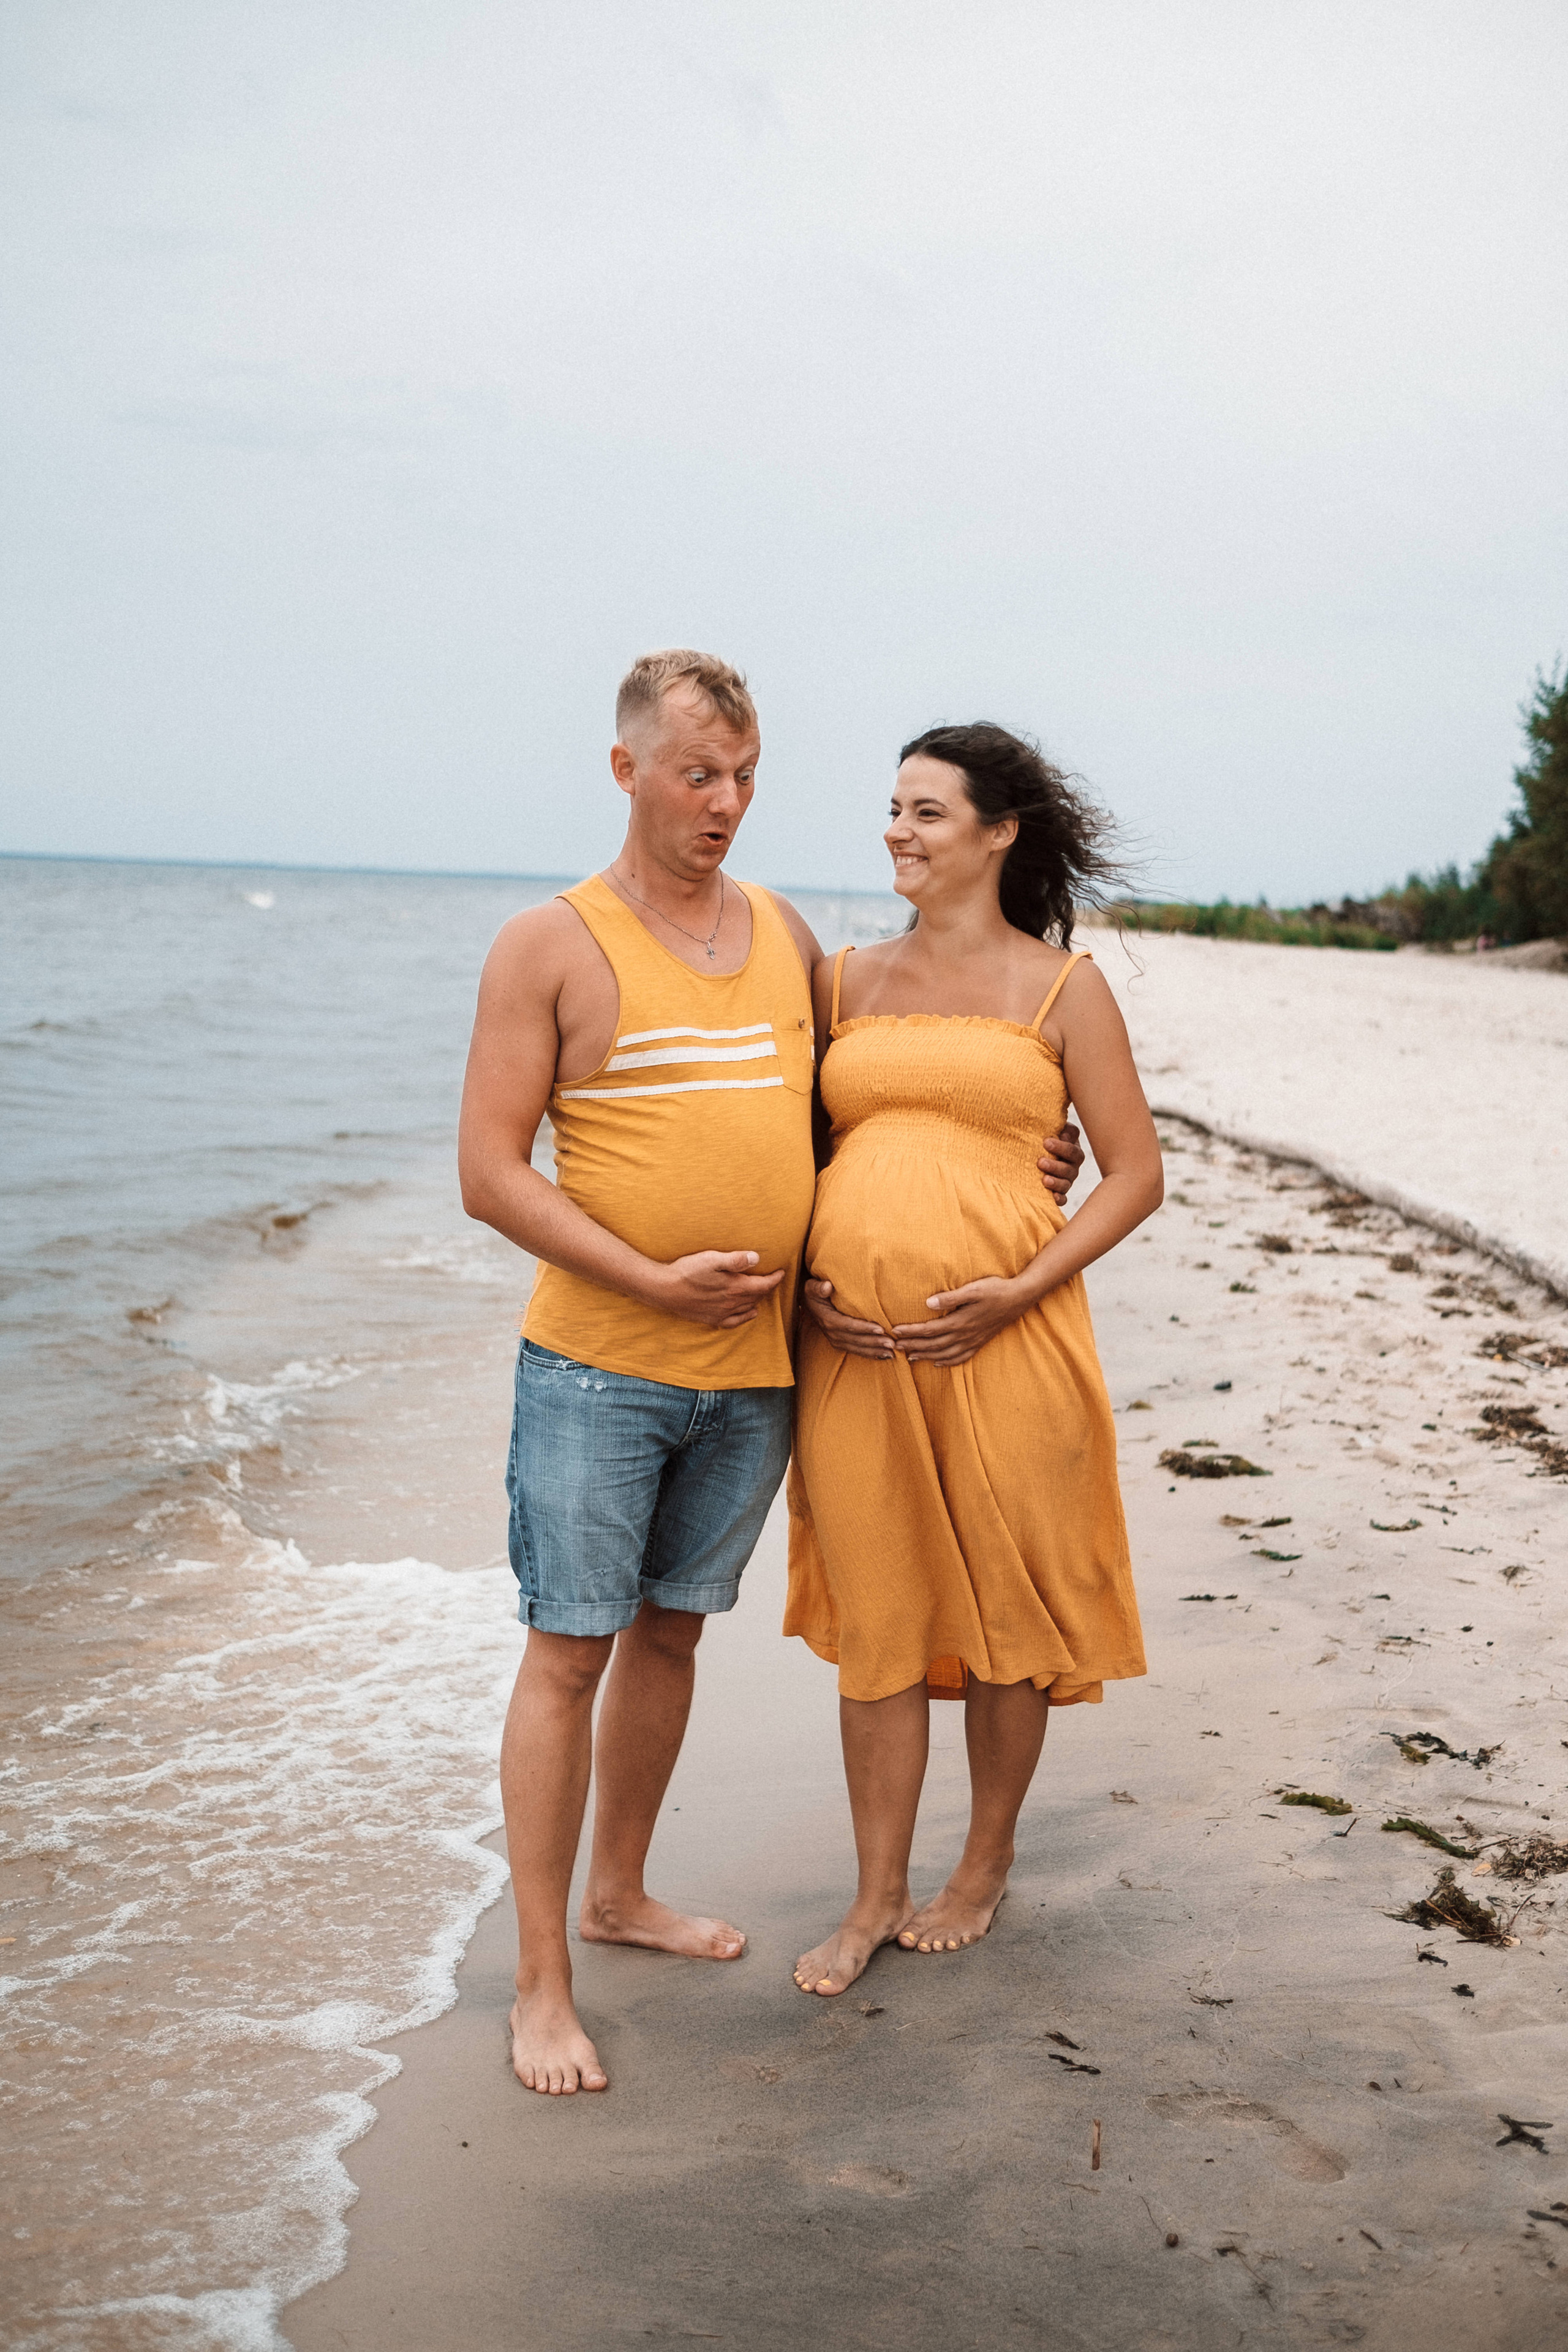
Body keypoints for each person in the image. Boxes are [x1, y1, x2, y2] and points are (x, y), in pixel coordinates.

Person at [459, 655, 1085, 2094]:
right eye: (696, 776)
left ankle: (620, 1894)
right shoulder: (545, 945)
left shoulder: (787, 937)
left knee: (671, 1640)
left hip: (754, 1375)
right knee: (568, 1653)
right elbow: (489, 1176)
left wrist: (1027, 1152)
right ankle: (542, 1985)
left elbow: (867, 1112)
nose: (724, 804)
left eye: (743, 777)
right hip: (601, 1365)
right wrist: (646, 1276)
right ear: (626, 771)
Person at [785, 722, 1163, 1998]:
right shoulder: (837, 982)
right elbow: (780, 1154)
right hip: (856, 1353)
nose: (897, 830)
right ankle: (872, 1892)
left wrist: (1017, 1288)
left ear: (997, 833)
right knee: (880, 1619)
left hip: (1010, 1346)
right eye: (891, 808)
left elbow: (1133, 1175)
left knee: (1006, 1618)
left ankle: (979, 1864)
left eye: (927, 812)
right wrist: (798, 1280)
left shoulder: (1062, 990)